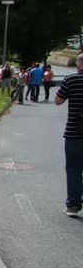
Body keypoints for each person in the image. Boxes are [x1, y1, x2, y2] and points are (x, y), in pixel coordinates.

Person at [55, 53, 83, 217]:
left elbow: (58, 101)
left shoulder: (71, 80)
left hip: (75, 132)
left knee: (74, 169)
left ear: (79, 64)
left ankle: (73, 204)